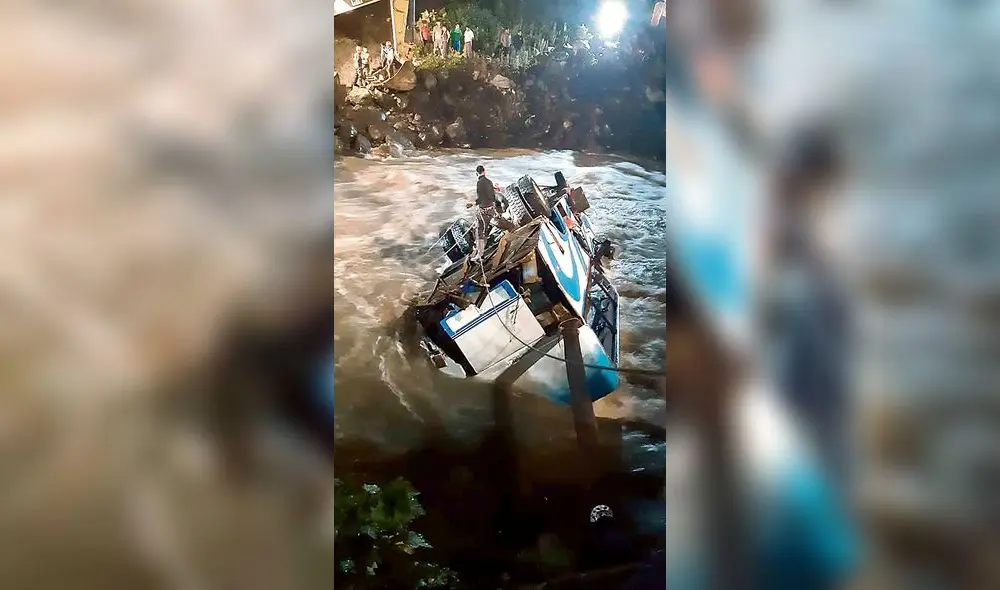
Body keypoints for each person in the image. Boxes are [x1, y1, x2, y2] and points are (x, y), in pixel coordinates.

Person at [469, 165, 514, 258]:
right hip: (492, 211)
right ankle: (513, 229)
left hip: (484, 212)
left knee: (480, 231)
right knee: (501, 224)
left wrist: (472, 203)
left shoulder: (480, 183)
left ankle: (479, 255)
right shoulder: (489, 182)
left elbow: (481, 198)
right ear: (484, 171)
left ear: (476, 173)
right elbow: (492, 198)